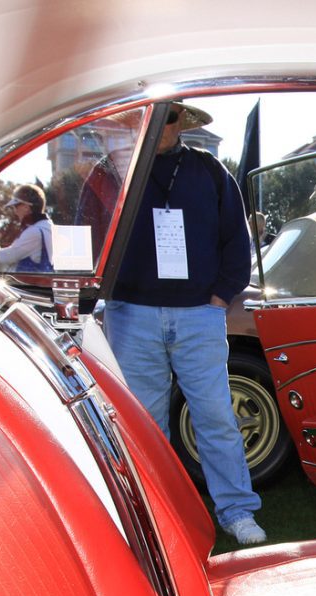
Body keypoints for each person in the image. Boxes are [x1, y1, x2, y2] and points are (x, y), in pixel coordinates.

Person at [105, 101, 265, 545]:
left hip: (199, 314)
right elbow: (88, 229)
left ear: (182, 123)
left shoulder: (210, 170)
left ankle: (236, 512)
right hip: (130, 313)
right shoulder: (112, 170)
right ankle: (150, 516)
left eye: (168, 116)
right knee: (143, 424)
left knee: (216, 416)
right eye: (151, 115)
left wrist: (218, 298)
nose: (159, 124)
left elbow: (238, 240)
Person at [0, 184, 54, 272]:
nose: (15, 211)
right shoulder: (48, 226)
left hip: (27, 285)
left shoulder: (34, 232)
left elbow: (5, 257)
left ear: (26, 207)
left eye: (16, 206)